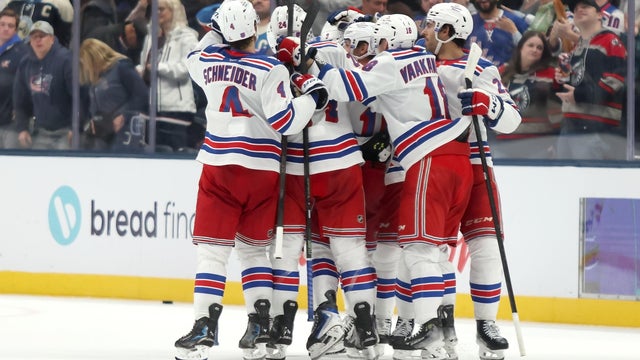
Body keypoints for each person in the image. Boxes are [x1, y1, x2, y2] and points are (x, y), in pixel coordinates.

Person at [299, 12, 475, 358]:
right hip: (450, 154)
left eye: (377, 41)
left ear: (387, 41)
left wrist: (307, 64)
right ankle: (441, 333)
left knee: (412, 252)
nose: (374, 48)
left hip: (423, 157)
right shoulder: (427, 58)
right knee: (429, 252)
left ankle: (414, 331)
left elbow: (346, 87)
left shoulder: (388, 64)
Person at [175, 1, 328, 360]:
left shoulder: (205, 61)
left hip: (220, 165)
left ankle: (204, 329)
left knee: (213, 253)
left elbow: (204, 43)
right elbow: (287, 121)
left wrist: (221, 28)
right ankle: (259, 329)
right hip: (263, 169)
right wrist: (313, 99)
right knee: (253, 250)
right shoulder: (270, 66)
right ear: (254, 30)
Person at [270, 5, 379, 360]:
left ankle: (286, 327)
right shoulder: (334, 50)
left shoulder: (267, 62)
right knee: (348, 249)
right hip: (343, 160)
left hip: (299, 166)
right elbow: (363, 106)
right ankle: (365, 329)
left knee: (297, 248)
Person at [421, 2, 521, 359]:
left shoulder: (481, 67)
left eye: (432, 25)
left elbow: (512, 120)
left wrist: (489, 104)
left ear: (447, 31)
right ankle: (440, 328)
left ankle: (485, 326)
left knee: (488, 248)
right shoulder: (417, 65)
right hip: (432, 164)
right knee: (432, 252)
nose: (425, 30)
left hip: (476, 162)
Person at [554, 0, 627, 159]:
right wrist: (563, 79)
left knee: (589, 180)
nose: (579, 9)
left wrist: (578, 95)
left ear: (600, 15)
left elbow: (615, 80)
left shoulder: (610, 40)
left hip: (597, 126)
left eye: (586, 6)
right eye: (576, 8)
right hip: (570, 123)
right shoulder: (577, 48)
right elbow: (579, 80)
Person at [136, 0, 198, 151]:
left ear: (173, 11)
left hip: (176, 108)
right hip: (150, 106)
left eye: (161, 9)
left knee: (174, 153)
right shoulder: (151, 36)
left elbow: (187, 68)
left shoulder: (187, 37)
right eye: (154, 9)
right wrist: (139, 70)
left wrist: (158, 68)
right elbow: (144, 63)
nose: (157, 13)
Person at [495, 30, 562, 159]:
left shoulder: (550, 74)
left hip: (538, 146)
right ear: (520, 48)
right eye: (530, 45)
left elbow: (557, 110)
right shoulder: (502, 72)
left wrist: (555, 142)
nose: (535, 50)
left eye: (539, 47)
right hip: (503, 145)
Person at [78, 38, 148, 151]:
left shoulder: (122, 67)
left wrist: (124, 115)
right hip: (103, 133)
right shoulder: (96, 77)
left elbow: (141, 95)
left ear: (95, 58)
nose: (86, 67)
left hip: (125, 131)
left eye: (86, 62)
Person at [13, 20, 74, 150]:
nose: (38, 40)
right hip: (40, 132)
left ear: (52, 39)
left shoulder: (66, 60)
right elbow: (20, 100)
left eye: (42, 36)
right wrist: (22, 128)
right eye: (34, 37)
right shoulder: (25, 64)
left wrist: (76, 127)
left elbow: (80, 96)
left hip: (65, 132)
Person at [466, 0, 530, 66]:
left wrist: (514, 32)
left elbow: (529, 51)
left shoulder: (516, 21)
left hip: (504, 74)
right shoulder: (468, 21)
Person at [0, 7, 28, 149]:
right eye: (2, 24)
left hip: (11, 123)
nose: (5, 28)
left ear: (16, 29)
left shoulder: (22, 52)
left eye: (10, 26)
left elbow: (25, 84)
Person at [5, 0, 74, 47]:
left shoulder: (61, 4)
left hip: (47, 61)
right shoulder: (13, 3)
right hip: (15, 59)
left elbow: (65, 40)